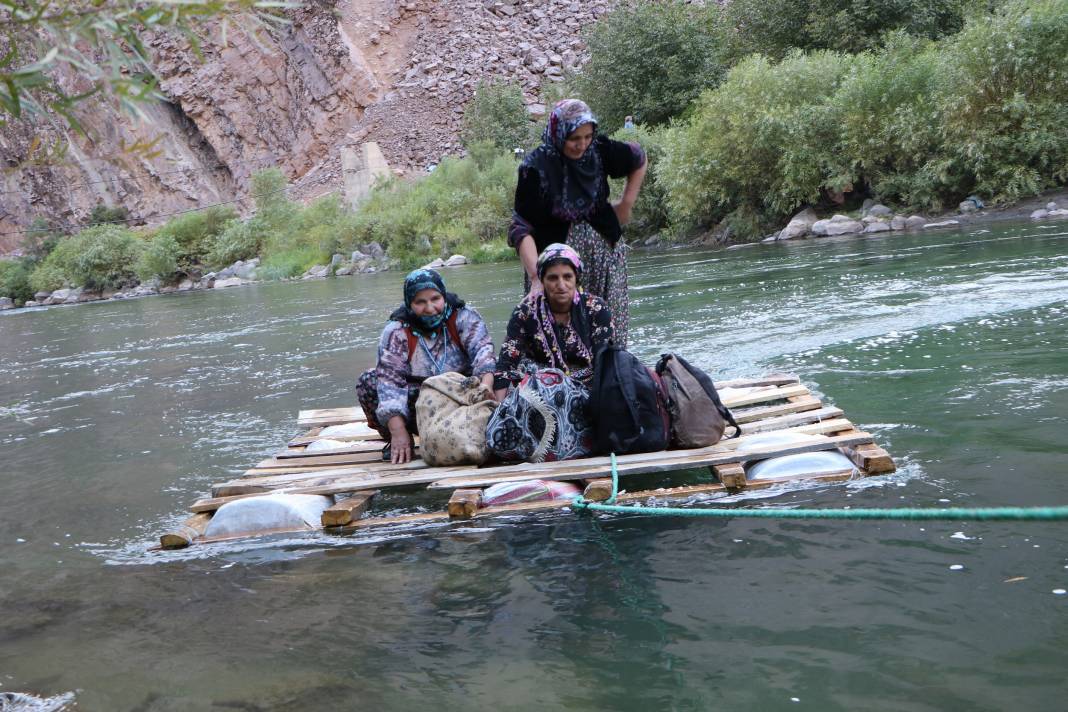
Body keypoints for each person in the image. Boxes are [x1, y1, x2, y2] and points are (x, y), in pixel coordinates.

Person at [509, 98, 647, 348]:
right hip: (556, 266)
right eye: (575, 139)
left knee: (608, 329)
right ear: (559, 133)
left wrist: (626, 204)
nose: (582, 144)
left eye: (587, 136)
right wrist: (535, 278)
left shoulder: (600, 150)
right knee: (555, 334)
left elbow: (638, 157)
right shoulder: (535, 166)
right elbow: (521, 227)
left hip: (605, 256)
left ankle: (611, 376)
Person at [357, 268, 495, 464]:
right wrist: (397, 431)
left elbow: (484, 353)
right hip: (419, 404)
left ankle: (481, 433)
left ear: (444, 295)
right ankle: (399, 441)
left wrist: (486, 386)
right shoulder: (396, 331)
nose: (430, 308)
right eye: (420, 302)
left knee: (504, 378)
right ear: (409, 303)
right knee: (368, 381)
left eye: (435, 299)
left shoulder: (465, 317)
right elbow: (390, 381)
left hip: (461, 399)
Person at [493, 243, 614, 400]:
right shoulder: (525, 311)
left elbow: (606, 361)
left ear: (576, 278)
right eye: (553, 278)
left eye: (567, 277)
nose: (561, 285)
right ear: (542, 280)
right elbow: (506, 365)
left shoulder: (596, 308)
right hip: (538, 392)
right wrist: (500, 407)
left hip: (588, 389)